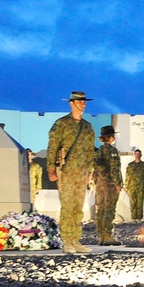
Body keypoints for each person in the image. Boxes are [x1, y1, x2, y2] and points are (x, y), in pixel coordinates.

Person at [47, 91, 96, 254]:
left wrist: (89, 171)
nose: (83, 104)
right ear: (71, 103)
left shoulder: (87, 127)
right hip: (66, 171)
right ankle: (67, 241)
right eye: (79, 101)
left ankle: (75, 240)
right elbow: (53, 146)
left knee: (78, 207)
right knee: (67, 206)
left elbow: (90, 151)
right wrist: (51, 168)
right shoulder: (61, 124)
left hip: (81, 173)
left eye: (84, 101)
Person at [93, 125, 123, 245]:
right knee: (109, 209)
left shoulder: (99, 151)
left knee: (100, 209)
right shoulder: (112, 151)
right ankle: (107, 236)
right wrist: (118, 183)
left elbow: (95, 168)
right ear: (110, 138)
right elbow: (115, 169)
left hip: (100, 183)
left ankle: (101, 236)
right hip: (110, 184)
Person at [125, 149, 144, 220]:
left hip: (140, 187)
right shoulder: (130, 165)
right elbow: (127, 176)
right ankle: (133, 218)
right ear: (134, 155)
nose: (137, 155)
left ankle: (139, 218)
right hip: (132, 187)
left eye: (138, 154)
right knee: (133, 203)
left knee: (140, 203)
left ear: (141, 155)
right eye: (136, 154)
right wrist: (126, 186)